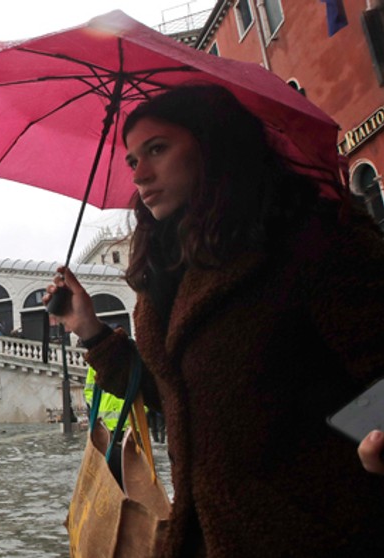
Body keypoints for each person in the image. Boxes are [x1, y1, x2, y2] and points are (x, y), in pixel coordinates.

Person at [45, 84, 384, 556]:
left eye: (157, 150)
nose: (139, 175)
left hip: (314, 533)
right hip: (204, 536)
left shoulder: (312, 240)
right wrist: (91, 330)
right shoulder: (165, 274)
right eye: (131, 161)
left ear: (213, 145)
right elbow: (173, 398)